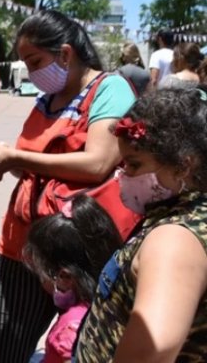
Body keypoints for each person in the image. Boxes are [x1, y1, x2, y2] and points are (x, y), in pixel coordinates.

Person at [0, 9, 136, 363]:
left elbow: (97, 164)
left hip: (79, 256)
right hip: (22, 249)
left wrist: (16, 158)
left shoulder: (109, 89)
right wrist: (5, 165)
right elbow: (39, 169)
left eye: (35, 61)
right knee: (3, 351)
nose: (31, 73)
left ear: (65, 53)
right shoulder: (46, 100)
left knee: (79, 348)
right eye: (25, 64)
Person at [75, 87, 207, 361]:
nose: (123, 175)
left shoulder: (175, 241)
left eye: (134, 165)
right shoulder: (179, 215)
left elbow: (153, 351)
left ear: (183, 166)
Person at [23, 194, 122, 363]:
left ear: (64, 276)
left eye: (41, 274)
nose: (41, 281)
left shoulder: (71, 331)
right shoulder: (109, 302)